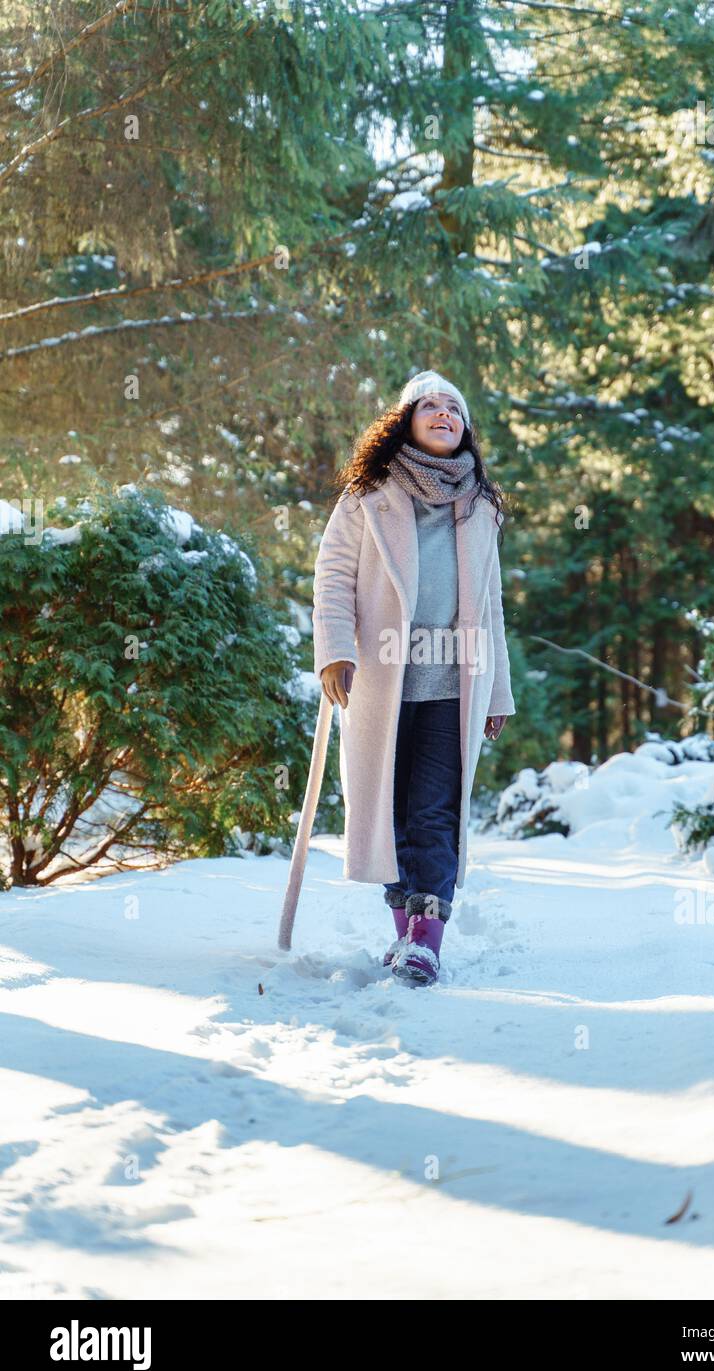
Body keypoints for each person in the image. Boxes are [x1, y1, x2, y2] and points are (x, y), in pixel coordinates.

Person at [312, 370, 516, 986]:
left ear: (465, 428)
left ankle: (427, 938)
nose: (443, 413)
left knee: (433, 813)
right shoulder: (365, 496)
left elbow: (492, 605)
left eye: (453, 407)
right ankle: (405, 933)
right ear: (405, 422)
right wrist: (335, 651)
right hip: (381, 682)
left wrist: (498, 691)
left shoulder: (479, 506)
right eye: (428, 405)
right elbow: (333, 578)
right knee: (390, 813)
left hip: (452, 689)